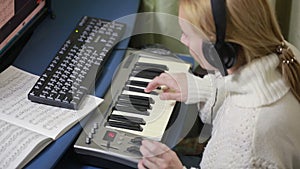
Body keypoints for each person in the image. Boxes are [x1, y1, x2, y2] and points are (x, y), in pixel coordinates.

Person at [137, 0, 300, 168]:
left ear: (217, 50)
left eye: (186, 34)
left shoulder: (245, 141)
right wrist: (200, 89)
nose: (182, 40)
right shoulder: (285, 52)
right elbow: (239, 89)